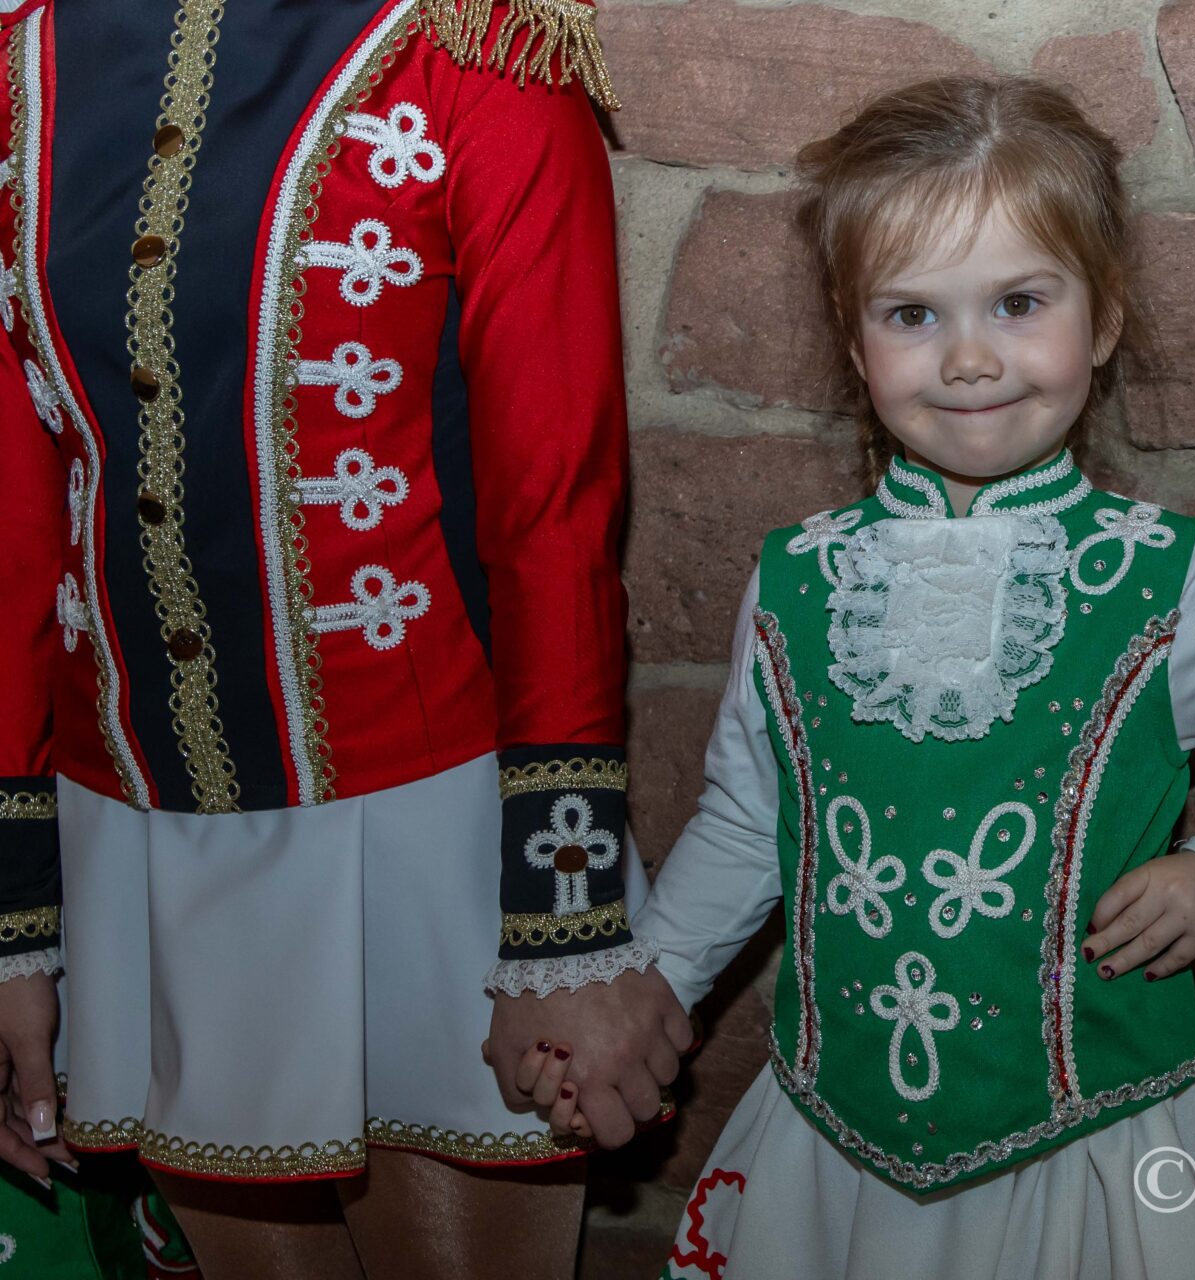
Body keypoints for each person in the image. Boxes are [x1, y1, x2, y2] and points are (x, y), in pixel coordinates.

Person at [519, 75, 1195, 1279]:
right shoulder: (796, 579)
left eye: (1019, 302)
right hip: (830, 1154)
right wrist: (649, 990)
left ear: (1102, 319)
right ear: (854, 341)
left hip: (1093, 1157)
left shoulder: (1165, 578)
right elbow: (753, 814)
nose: (972, 357)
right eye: (913, 314)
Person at [0, 1, 686, 1276]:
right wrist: (14, 916)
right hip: (135, 845)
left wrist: (565, 915)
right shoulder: (19, 61)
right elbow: (15, 522)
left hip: (432, 835)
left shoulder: (476, 46)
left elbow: (554, 509)